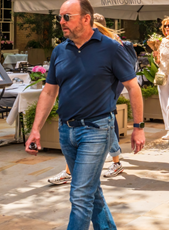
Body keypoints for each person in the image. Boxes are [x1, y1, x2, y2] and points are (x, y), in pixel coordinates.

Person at [24, 0, 146, 230]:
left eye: (67, 17)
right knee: (90, 189)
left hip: (96, 129)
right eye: (60, 17)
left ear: (86, 18)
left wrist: (138, 128)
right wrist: (35, 129)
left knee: (80, 195)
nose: (61, 22)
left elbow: (133, 87)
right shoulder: (60, 50)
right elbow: (49, 91)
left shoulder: (111, 49)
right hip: (67, 131)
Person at [46, 14, 131, 184]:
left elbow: (126, 76)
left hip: (104, 92)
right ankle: (114, 162)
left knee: (105, 121)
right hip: (88, 100)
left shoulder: (111, 45)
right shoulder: (82, 43)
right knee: (106, 123)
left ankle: (109, 163)